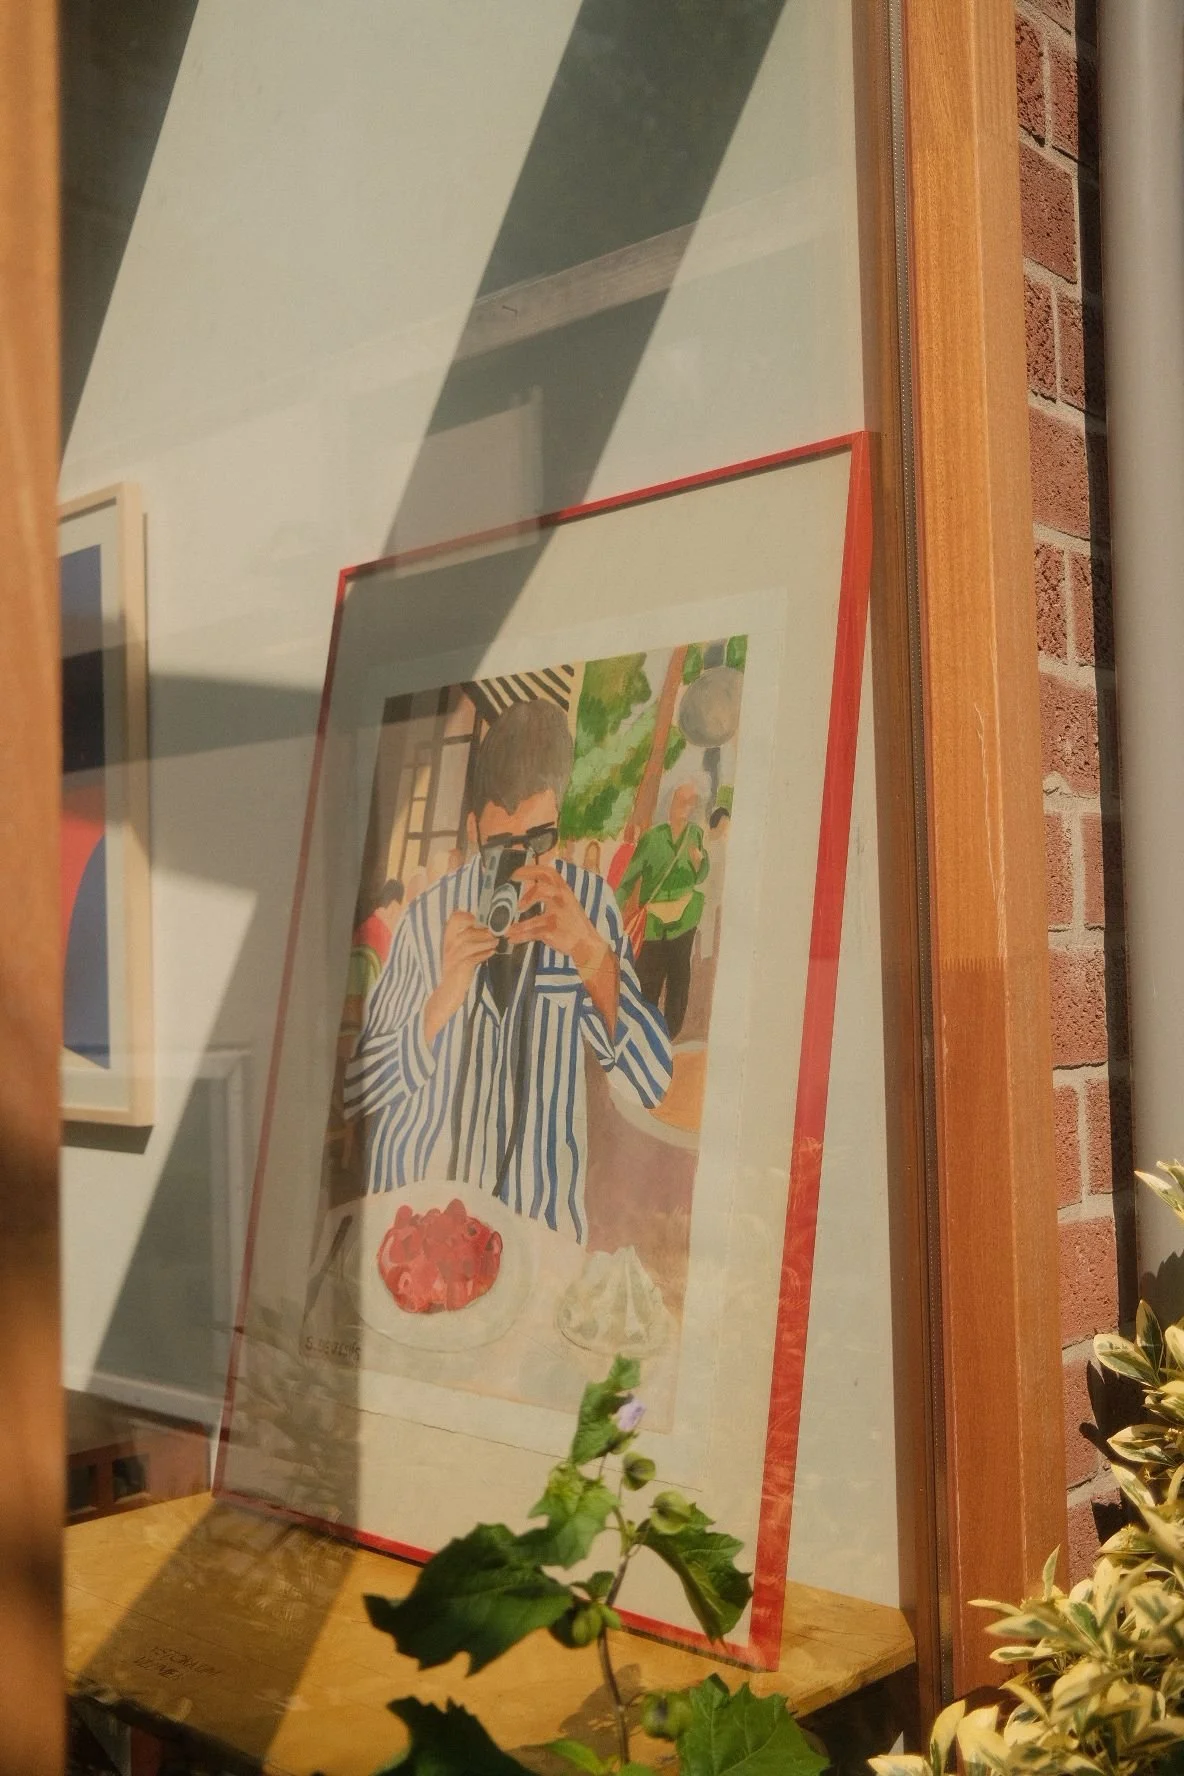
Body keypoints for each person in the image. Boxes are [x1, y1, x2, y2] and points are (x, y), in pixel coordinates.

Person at [343, 699, 672, 1240]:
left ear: (559, 824)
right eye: (502, 846)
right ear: (474, 831)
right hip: (427, 1222)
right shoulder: (429, 915)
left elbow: (652, 1084)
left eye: (539, 841)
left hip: (537, 1228)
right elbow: (356, 1091)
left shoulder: (589, 906)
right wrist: (439, 1004)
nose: (521, 865)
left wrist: (590, 956)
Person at [615, 779, 709, 1041]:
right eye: (681, 800)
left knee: (679, 977)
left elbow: (701, 875)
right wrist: (613, 908)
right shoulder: (652, 838)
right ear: (670, 802)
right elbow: (629, 879)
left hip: (685, 917)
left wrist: (699, 863)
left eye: (690, 802)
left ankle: (669, 1035)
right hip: (654, 921)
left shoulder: (695, 835)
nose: (685, 806)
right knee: (648, 978)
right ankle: (644, 1035)